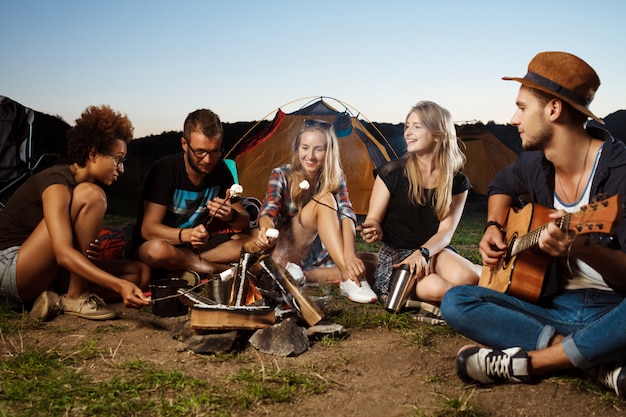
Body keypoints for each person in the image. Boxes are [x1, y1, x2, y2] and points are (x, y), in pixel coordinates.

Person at [440, 51, 626, 398]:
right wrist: (494, 225)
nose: (513, 119)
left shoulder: (620, 174)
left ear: (553, 109)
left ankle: (534, 363)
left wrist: (585, 247)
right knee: (456, 301)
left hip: (614, 311)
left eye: (522, 108)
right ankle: (593, 359)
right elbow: (501, 186)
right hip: (552, 306)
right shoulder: (534, 163)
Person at [0, 105, 151, 321]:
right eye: (118, 159)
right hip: (11, 267)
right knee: (92, 195)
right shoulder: (57, 183)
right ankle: (76, 296)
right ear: (93, 153)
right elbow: (62, 253)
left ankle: (55, 299)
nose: (121, 169)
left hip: (43, 269)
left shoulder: (77, 188)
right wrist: (119, 285)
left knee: (139, 273)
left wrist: (84, 247)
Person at [360, 101, 481, 305]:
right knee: (440, 289)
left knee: (468, 277)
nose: (408, 132)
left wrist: (423, 253)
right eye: (407, 125)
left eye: (417, 126)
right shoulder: (391, 172)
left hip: (433, 252)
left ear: (437, 134)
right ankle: (481, 300)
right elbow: (372, 219)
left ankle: (495, 281)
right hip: (398, 261)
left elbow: (445, 233)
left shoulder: (457, 181)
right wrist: (372, 229)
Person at [252, 119, 378, 303]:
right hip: (287, 250)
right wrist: (265, 229)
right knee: (324, 199)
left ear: (329, 152)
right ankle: (348, 277)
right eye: (305, 148)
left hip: (316, 253)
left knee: (375, 261)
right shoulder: (281, 174)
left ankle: (302, 276)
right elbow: (268, 211)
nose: (310, 156)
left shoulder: (336, 177)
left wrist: (350, 255)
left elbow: (347, 214)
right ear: (297, 149)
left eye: (318, 149)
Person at [133, 108, 251, 277]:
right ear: (184, 144)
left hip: (198, 247)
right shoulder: (164, 170)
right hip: (164, 244)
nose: (208, 160)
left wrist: (231, 216)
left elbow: (244, 222)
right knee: (156, 250)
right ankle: (215, 269)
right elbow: (148, 230)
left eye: (215, 151)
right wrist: (187, 235)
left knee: (255, 238)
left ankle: (189, 265)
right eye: (200, 152)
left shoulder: (221, 170)